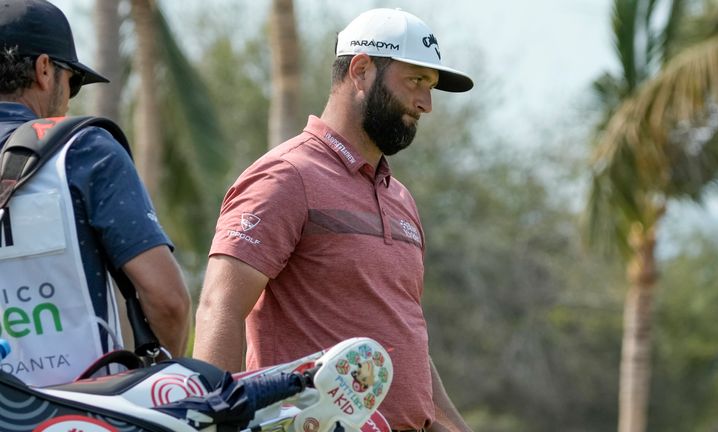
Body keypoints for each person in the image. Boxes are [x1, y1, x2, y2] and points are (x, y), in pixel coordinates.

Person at [194, 8, 474, 431]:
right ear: (361, 70)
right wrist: (215, 424)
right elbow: (221, 307)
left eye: (431, 87)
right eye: (416, 81)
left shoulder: (400, 199)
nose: (426, 104)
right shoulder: (287, 176)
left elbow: (403, 336)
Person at [0, 0, 190, 387]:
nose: (69, 98)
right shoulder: (83, 150)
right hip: (78, 412)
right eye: (73, 80)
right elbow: (167, 301)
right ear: (44, 70)